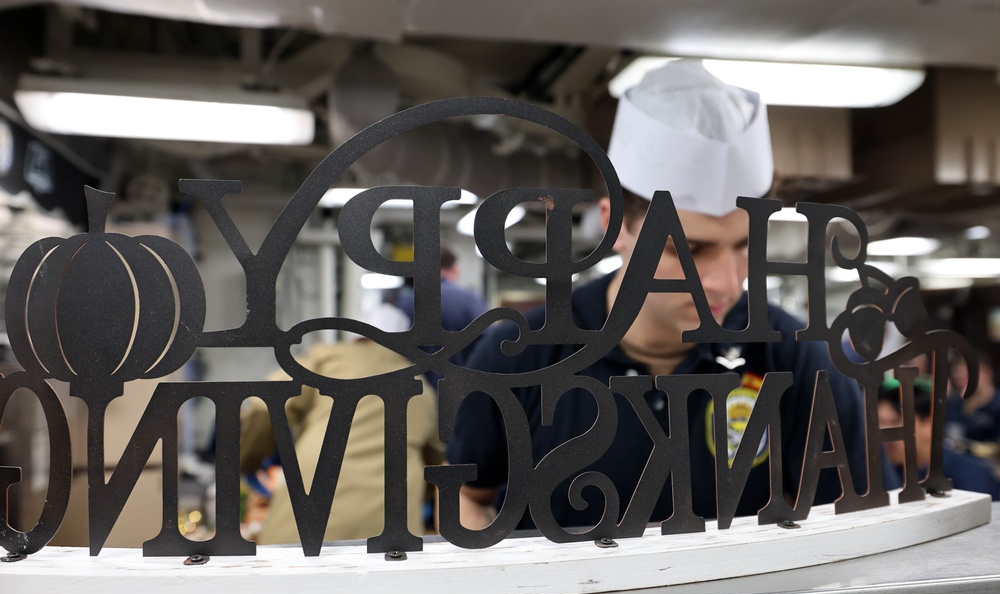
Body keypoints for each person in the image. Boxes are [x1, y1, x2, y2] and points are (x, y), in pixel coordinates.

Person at [446, 59, 869, 531]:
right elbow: (470, 498)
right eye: (689, 250)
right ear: (613, 226)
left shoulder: (794, 358)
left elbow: (856, 522)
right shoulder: (519, 355)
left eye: (746, 245)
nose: (727, 282)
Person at [240, 303, 443, 543]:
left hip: (312, 511)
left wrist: (246, 461)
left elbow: (265, 404)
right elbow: (437, 464)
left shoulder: (329, 358)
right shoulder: (422, 388)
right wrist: (426, 500)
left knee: (292, 571)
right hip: (391, 526)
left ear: (355, 337)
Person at [879, 377, 999, 500]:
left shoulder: (971, 476)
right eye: (879, 423)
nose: (883, 433)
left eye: (894, 422)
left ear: (929, 424)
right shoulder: (881, 475)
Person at [395, 244, 488, 388]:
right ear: (454, 268)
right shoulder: (469, 300)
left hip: (416, 393)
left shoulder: (405, 303)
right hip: (460, 390)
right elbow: (483, 347)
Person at [946, 353, 1000, 447]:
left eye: (967, 376)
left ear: (987, 374)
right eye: (958, 378)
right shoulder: (953, 402)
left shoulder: (996, 405)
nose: (964, 383)